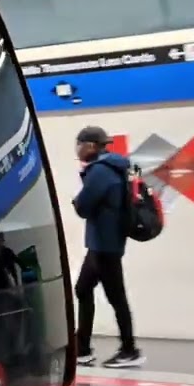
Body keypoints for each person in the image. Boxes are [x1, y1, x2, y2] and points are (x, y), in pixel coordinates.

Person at [72, 126, 144, 368]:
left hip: (105, 245)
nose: (77, 148)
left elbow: (83, 206)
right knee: (83, 289)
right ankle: (82, 348)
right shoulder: (113, 167)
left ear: (91, 145)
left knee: (117, 297)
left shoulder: (100, 171)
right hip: (102, 243)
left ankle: (129, 350)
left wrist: (77, 200)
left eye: (79, 143)